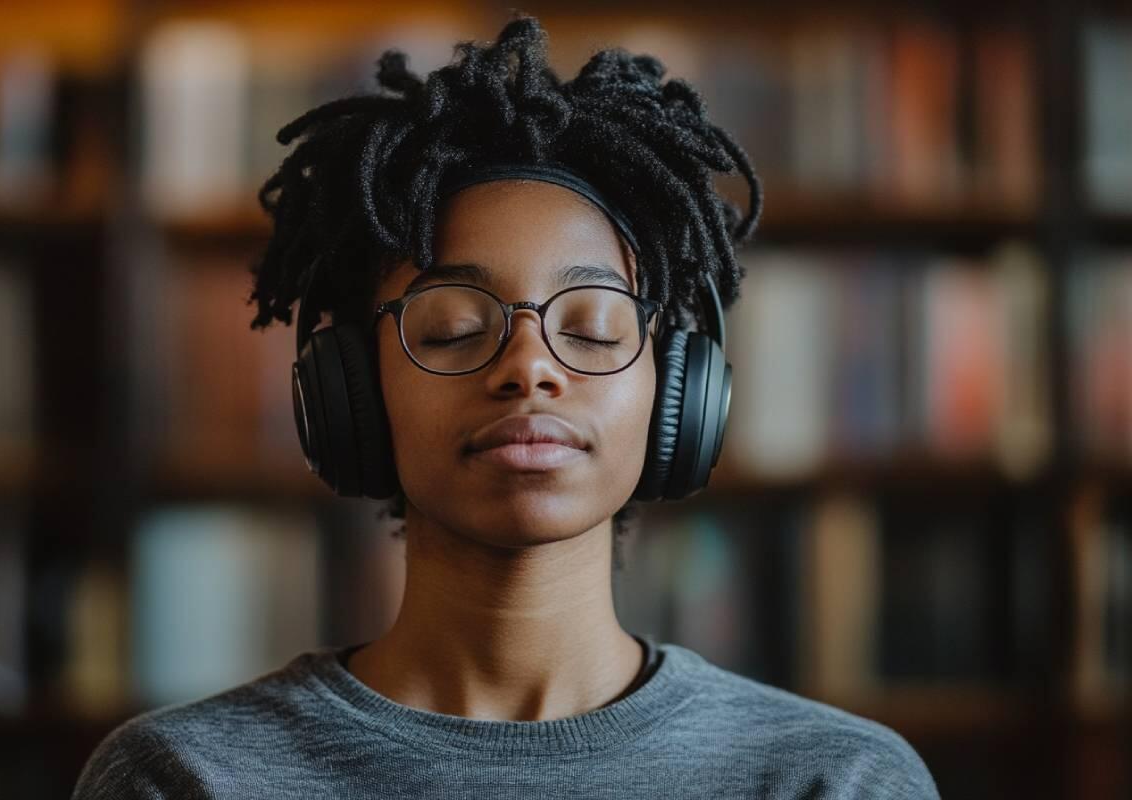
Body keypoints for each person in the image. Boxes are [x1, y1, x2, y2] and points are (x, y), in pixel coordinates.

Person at [73, 12, 940, 799]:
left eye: (594, 328)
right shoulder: (183, 778)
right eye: (451, 328)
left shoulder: (837, 782)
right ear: (351, 388)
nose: (530, 370)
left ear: (678, 389)